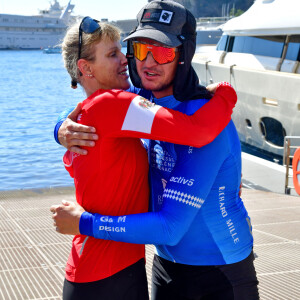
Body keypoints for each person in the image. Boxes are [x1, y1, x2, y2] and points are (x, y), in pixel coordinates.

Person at [52, 7, 238, 300]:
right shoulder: (115, 105)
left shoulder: (100, 111)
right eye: (130, 51)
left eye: (162, 52)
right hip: (110, 273)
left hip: (136, 267)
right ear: (86, 68)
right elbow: (196, 132)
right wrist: (227, 94)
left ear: (183, 54)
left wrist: (60, 126)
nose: (130, 61)